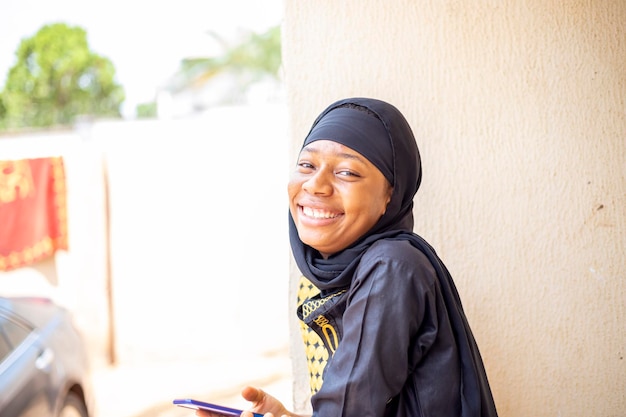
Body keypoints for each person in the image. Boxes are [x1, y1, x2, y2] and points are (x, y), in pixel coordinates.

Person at [196, 97, 499, 417]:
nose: (316, 185)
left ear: (390, 196)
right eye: (307, 165)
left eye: (347, 172)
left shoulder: (391, 268)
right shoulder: (333, 277)